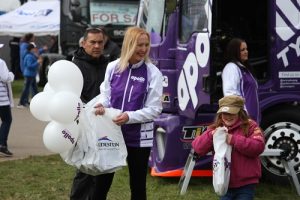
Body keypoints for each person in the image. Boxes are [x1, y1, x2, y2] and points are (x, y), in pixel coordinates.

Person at [94, 26, 163, 200]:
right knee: (102, 182)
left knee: (138, 185)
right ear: (129, 45)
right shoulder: (113, 67)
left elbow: (154, 109)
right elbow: (106, 95)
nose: (143, 49)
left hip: (138, 138)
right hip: (111, 133)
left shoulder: (153, 73)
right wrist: (101, 104)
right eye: (139, 45)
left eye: (146, 45)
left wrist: (129, 117)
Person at [192, 95, 265, 200]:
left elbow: (258, 147)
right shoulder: (216, 128)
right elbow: (197, 148)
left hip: (246, 184)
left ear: (240, 112)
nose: (228, 116)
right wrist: (211, 135)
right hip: (223, 182)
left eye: (232, 113)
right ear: (220, 114)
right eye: (224, 113)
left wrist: (234, 140)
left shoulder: (251, 126)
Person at [69, 27, 110, 200]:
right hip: (83, 125)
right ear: (84, 43)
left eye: (100, 42)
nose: (96, 46)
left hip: (105, 124)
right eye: (92, 42)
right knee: (85, 170)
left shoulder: (108, 65)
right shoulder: (75, 65)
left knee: (104, 169)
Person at [222, 38, 260, 122]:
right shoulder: (231, 68)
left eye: (246, 49)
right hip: (243, 118)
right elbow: (230, 94)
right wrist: (243, 115)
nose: (246, 52)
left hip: (251, 118)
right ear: (235, 52)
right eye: (242, 50)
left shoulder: (244, 68)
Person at [0, 43, 15, 157]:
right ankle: (2, 145)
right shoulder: (1, 62)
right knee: (7, 120)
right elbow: (5, 77)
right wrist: (11, 74)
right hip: (1, 99)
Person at [18, 43, 42, 108]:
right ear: (31, 49)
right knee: (26, 89)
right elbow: (29, 66)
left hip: (31, 74)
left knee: (34, 88)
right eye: (34, 48)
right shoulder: (29, 56)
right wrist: (37, 62)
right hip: (29, 74)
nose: (35, 49)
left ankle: (36, 101)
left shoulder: (30, 55)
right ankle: (22, 102)